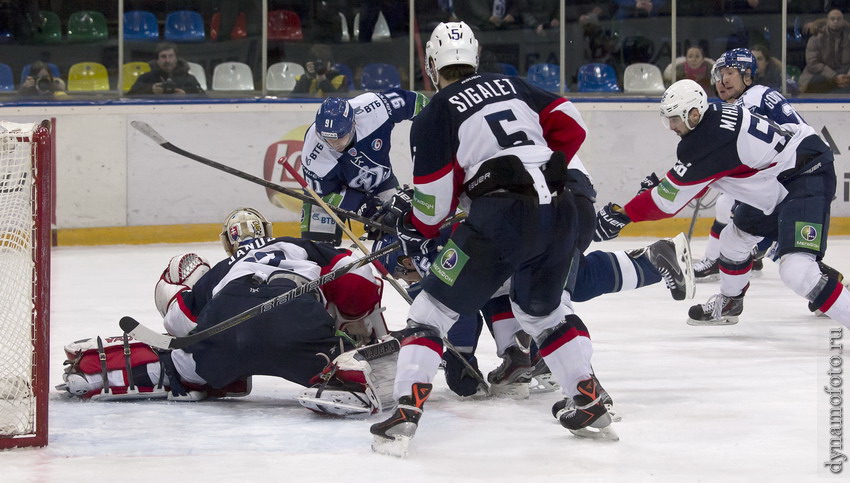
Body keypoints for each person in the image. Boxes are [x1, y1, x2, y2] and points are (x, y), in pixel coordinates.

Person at [369, 21, 618, 458]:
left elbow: (432, 206)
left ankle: (405, 413)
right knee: (542, 312)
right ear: (476, 58)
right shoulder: (514, 85)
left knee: (431, 310)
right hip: (560, 207)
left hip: (503, 217)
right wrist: (531, 163)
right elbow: (572, 125)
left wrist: (415, 224)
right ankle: (590, 400)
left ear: (431, 66)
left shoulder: (434, 114)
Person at [57, 207, 396, 416]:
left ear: (228, 242)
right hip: (296, 326)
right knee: (337, 358)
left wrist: (177, 291)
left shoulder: (220, 270)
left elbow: (179, 323)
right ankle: (344, 372)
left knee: (180, 364)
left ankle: (98, 371)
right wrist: (354, 319)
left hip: (226, 333)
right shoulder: (299, 246)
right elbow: (358, 277)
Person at [593, 79, 850, 328]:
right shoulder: (713, 117)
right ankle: (730, 304)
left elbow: (667, 202)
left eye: (674, 118)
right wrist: (660, 187)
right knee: (733, 239)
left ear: (694, 114)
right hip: (779, 179)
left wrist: (623, 214)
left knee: (796, 271)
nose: (671, 126)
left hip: (806, 174)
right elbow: (696, 178)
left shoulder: (707, 140)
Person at [298, 89, 428, 244]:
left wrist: (440, 127)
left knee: (399, 231)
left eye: (341, 138)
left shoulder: (375, 107)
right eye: (327, 139)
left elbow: (416, 103)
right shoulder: (312, 153)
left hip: (380, 181)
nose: (335, 144)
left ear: (353, 124)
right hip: (336, 190)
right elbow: (322, 194)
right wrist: (361, 204)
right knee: (317, 247)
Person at [800, 9, 850, 93]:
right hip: (820, 75)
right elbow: (812, 64)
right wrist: (834, 76)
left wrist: (848, 76)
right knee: (816, 82)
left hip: (845, 75)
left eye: (838, 19)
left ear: (843, 21)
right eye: (832, 19)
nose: (835, 21)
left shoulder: (848, 38)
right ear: (827, 21)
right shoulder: (815, 39)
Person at [127, 42, 205, 96]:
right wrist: (150, 90)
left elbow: (203, 97)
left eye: (171, 56)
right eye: (163, 57)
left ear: (176, 58)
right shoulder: (146, 78)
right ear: (157, 59)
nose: (167, 60)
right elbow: (129, 96)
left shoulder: (189, 79)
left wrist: (186, 94)